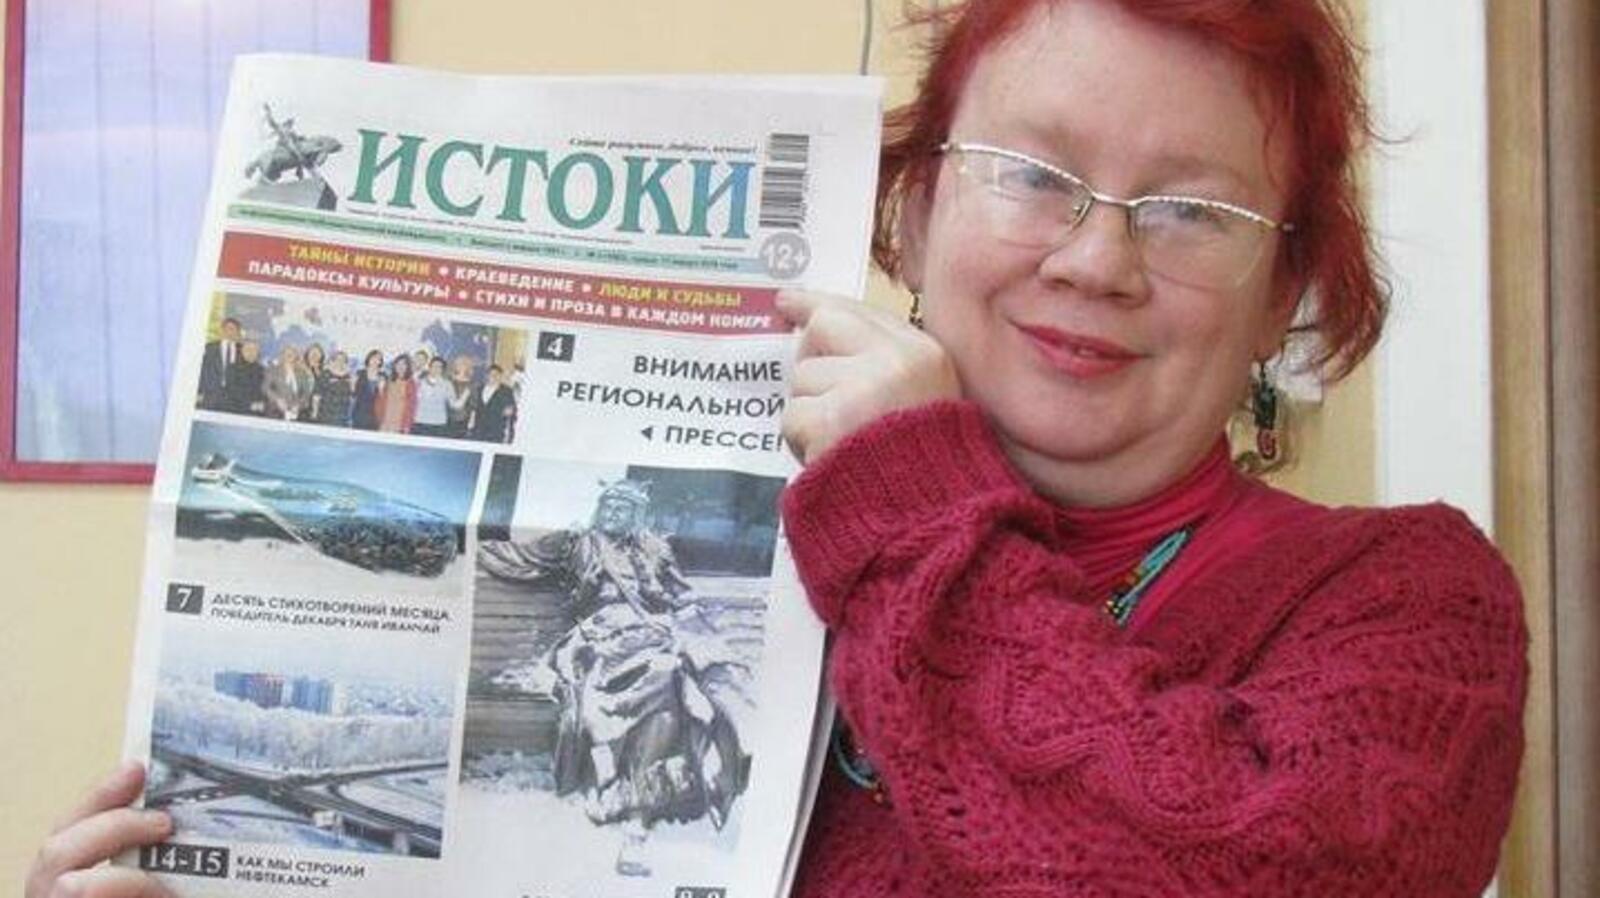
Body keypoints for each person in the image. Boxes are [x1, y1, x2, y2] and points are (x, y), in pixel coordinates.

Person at [27, 2, 1527, 896]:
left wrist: (921, 498)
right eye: (1032, 175)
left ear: (1282, 291)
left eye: (1192, 209)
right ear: (909, 215)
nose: (1096, 259)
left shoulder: (1410, 604)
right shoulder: (748, 529)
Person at [478, 480, 749, 877]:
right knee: (640, 687)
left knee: (672, 685)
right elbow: (517, 557)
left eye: (622, 507)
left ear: (637, 514)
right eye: (607, 504)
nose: (612, 512)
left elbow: (681, 596)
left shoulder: (654, 549)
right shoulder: (577, 543)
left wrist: (692, 625)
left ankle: (636, 812)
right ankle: (619, 791)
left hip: (652, 638)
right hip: (598, 641)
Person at [196, 317, 243, 410]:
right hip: (211, 395)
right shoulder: (209, 348)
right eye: (227, 328)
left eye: (233, 329)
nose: (230, 332)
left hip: (234, 398)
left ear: (238, 332)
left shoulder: (243, 350)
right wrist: (199, 391)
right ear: (222, 330)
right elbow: (203, 370)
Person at [262, 344, 314, 420]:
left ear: (296, 356)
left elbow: (306, 394)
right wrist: (277, 400)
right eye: (286, 353)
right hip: (275, 412)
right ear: (282, 355)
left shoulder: (302, 374)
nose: (289, 355)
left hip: (296, 414)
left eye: (292, 353)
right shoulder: (273, 370)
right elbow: (265, 388)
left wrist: (298, 405)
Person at [471, 364, 516, 443]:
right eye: (491, 374)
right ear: (487, 376)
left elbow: (511, 409)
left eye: (496, 374)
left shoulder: (506, 391)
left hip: (496, 431)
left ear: (500, 376)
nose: (493, 376)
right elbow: (475, 408)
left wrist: (509, 411)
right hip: (479, 430)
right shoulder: (479, 388)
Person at [412, 356, 454, 438]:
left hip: (439, 424)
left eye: (439, 367)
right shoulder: (420, 382)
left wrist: (466, 394)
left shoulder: (447, 384)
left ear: (443, 370)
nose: (436, 369)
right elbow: (414, 400)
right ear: (429, 367)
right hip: (420, 422)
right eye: (434, 366)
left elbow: (453, 404)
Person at [222, 339, 265, 416]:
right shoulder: (232, 368)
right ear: (242, 351)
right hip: (235, 411)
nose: (251, 352)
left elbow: (263, 393)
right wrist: (250, 405)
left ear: (258, 353)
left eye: (254, 350)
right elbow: (232, 392)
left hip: (256, 414)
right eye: (248, 349)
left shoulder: (262, 371)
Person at [376, 353, 417, 433]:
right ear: (394, 366)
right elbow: (380, 400)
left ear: (407, 367)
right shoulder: (388, 381)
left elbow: (412, 406)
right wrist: (379, 419)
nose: (400, 366)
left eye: (403, 364)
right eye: (398, 364)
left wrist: (406, 425)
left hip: (400, 423)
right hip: (385, 421)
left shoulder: (411, 383)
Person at [314, 350, 355, 427]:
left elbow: (352, 395)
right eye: (338, 359)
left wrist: (353, 385)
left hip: (343, 416)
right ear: (333, 361)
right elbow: (317, 395)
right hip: (326, 414)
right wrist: (314, 413)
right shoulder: (325, 374)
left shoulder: (349, 376)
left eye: (343, 360)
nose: (340, 362)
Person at [351, 349, 385, 430]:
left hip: (375, 415)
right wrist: (352, 385)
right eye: (373, 358)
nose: (375, 361)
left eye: (378, 359)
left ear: (380, 362)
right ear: (368, 359)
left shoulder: (383, 376)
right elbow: (354, 394)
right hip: (359, 413)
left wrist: (381, 389)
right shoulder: (359, 373)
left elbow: (384, 398)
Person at [446, 354, 479, 438]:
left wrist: (472, 420)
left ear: (469, 367)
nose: (462, 366)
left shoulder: (473, 384)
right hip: (446, 417)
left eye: (465, 364)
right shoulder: (448, 381)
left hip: (463, 419)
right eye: (459, 364)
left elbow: (474, 404)